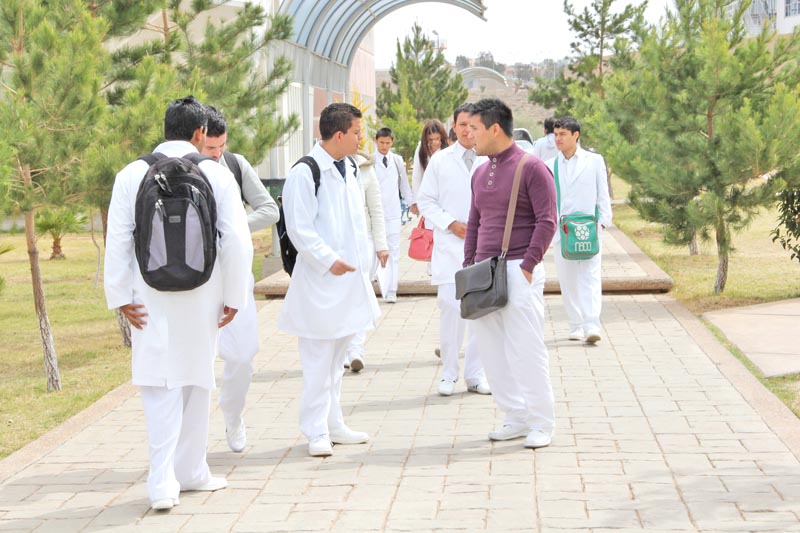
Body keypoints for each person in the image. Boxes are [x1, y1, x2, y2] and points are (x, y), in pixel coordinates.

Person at [104, 96, 253, 509]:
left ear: (165, 127)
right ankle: (191, 471)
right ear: (200, 132)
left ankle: (162, 481)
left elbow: (118, 238)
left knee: (157, 381)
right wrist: (235, 296)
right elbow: (237, 240)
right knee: (196, 376)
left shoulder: (131, 174)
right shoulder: (215, 174)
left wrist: (119, 297)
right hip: (203, 293)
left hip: (147, 294)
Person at [277, 103, 379, 457]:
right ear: (339, 135)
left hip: (349, 283)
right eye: (356, 132)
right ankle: (315, 430)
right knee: (318, 364)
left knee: (336, 363)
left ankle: (334, 423)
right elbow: (299, 229)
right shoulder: (305, 173)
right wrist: (328, 260)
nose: (361, 138)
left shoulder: (350, 167)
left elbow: (355, 222)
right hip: (321, 284)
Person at [464, 98, 558, 449]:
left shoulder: (531, 168)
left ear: (494, 128)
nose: (468, 134)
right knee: (492, 351)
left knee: (526, 348)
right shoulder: (480, 171)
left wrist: (530, 264)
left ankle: (541, 422)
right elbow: (474, 222)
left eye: (473, 128)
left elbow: (548, 220)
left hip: (520, 269)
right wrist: (468, 263)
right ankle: (515, 416)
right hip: (483, 273)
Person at [201, 106, 279, 453]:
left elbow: (269, 209)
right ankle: (192, 439)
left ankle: (233, 415)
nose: (215, 155)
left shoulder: (235, 165)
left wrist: (231, 227)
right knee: (197, 359)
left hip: (234, 273)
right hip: (194, 279)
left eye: (220, 148)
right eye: (209, 149)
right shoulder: (181, 168)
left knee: (243, 354)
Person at [417, 103, 491, 397]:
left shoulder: (491, 159)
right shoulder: (441, 161)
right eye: (463, 124)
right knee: (450, 308)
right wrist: (451, 224)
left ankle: (475, 374)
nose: (468, 130)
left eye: (474, 125)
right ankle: (449, 373)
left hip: (485, 245)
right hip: (451, 245)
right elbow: (426, 201)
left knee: (481, 312)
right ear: (454, 125)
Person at [546, 116, 612, 344]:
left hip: (588, 228)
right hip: (562, 230)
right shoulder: (550, 165)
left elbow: (602, 192)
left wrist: (602, 222)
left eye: (563, 134)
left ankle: (592, 324)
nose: (558, 139)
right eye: (555, 134)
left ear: (576, 135)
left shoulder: (594, 161)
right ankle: (576, 324)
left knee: (590, 276)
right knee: (568, 279)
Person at [346, 149, 389, 373]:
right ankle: (344, 347)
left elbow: (376, 209)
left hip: (365, 241)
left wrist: (381, 245)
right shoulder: (324, 167)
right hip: (339, 243)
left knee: (361, 293)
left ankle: (356, 349)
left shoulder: (365, 168)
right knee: (344, 296)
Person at [373, 127, 417, 303]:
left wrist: (412, 202)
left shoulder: (397, 161)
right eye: (381, 143)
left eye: (387, 143)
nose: (384, 146)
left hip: (393, 213)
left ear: (392, 142)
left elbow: (404, 185)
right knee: (374, 251)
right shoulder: (368, 160)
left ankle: (392, 289)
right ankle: (376, 282)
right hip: (374, 215)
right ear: (376, 141)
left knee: (394, 252)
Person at [411, 119, 450, 197]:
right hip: (426, 194)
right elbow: (417, 175)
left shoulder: (447, 149)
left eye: (437, 138)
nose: (434, 142)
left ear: (442, 136)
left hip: (444, 193)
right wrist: (416, 199)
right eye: (431, 139)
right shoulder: (421, 149)